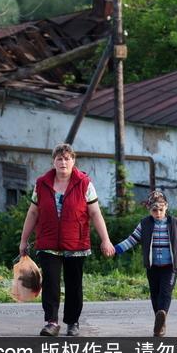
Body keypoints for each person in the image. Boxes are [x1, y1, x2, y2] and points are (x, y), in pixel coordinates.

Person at [19, 143, 115, 337]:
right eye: (59, 158)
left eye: (67, 158)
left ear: (73, 160)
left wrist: (106, 240)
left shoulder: (85, 183)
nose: (63, 162)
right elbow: (33, 212)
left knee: (74, 284)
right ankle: (51, 322)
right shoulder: (41, 183)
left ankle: (73, 322)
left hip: (76, 243)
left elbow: (95, 213)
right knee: (51, 283)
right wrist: (24, 240)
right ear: (53, 161)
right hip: (48, 241)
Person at [114, 190, 177, 337]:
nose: (158, 213)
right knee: (155, 294)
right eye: (154, 210)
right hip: (153, 267)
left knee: (165, 292)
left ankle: (162, 314)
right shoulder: (145, 224)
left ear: (166, 207)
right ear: (149, 210)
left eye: (161, 210)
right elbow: (131, 239)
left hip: (171, 266)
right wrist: (115, 249)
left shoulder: (174, 223)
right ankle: (160, 322)